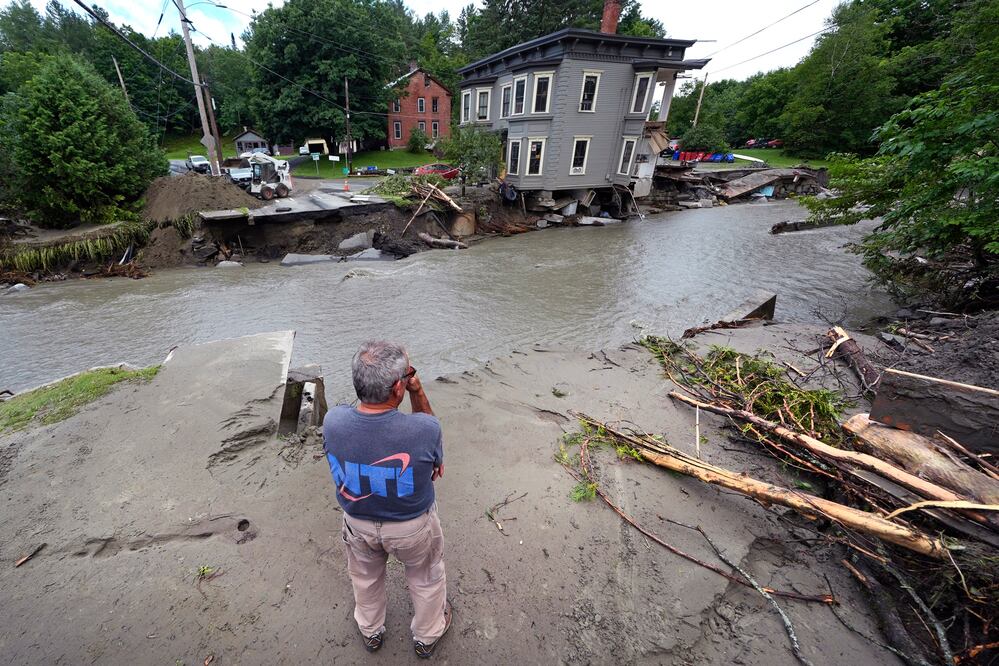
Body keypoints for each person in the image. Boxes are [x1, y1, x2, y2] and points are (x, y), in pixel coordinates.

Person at [323, 341, 452, 658]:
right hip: (411, 527)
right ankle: (427, 634)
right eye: (408, 374)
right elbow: (436, 461)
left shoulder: (333, 421)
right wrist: (417, 392)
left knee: (364, 579)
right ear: (399, 387)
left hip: (357, 523)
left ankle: (370, 630)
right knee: (425, 577)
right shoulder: (424, 429)